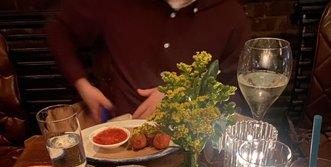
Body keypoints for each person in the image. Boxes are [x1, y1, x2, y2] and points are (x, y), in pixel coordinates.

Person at [47, 0, 251, 122]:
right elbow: (58, 28)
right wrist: (83, 85)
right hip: (121, 134)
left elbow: (233, 94)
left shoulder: (230, 14)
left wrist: (184, 96)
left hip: (192, 143)